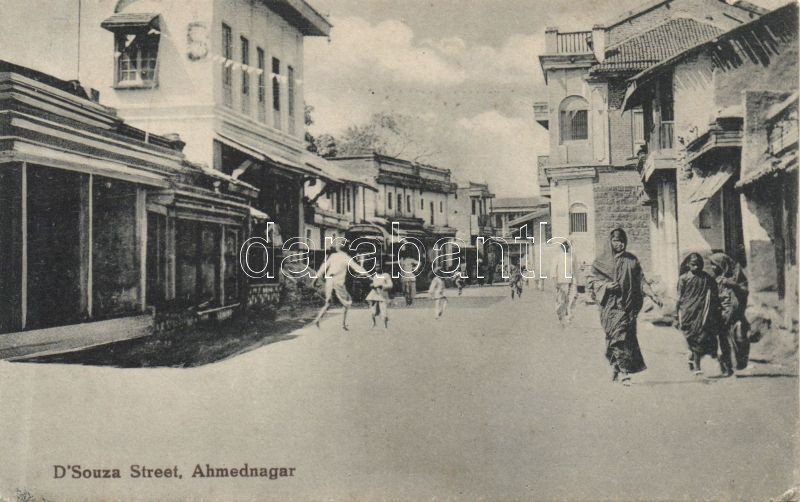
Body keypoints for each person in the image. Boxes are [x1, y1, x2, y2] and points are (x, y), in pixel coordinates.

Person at [587, 229, 647, 386]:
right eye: (615, 241)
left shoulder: (632, 260)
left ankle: (622, 370)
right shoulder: (600, 262)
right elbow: (591, 281)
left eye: (622, 241)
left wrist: (653, 295)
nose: (619, 244)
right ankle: (620, 369)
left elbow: (641, 280)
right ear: (610, 242)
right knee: (614, 337)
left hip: (627, 306)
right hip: (609, 307)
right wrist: (606, 286)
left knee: (621, 338)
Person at [676, 253, 720, 375]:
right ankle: (691, 357)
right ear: (688, 265)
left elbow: (714, 293)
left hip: (701, 313)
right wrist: (675, 315)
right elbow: (679, 298)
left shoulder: (707, 278)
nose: (696, 267)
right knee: (690, 338)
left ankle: (697, 366)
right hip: (687, 313)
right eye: (693, 264)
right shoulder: (683, 278)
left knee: (699, 338)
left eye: (699, 264)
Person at [708, 252, 750, 375]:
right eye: (711, 264)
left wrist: (732, 284)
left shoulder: (737, 276)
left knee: (739, 338)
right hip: (721, 315)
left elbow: (744, 291)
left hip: (735, 315)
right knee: (723, 342)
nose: (712, 267)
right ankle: (727, 368)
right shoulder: (715, 279)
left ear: (722, 265)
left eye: (715, 265)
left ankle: (740, 363)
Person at [312, 240, 367, 330]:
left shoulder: (333, 256)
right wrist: (367, 274)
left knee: (328, 302)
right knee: (347, 301)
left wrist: (315, 278)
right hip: (338, 281)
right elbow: (357, 268)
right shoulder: (346, 257)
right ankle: (343, 324)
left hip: (329, 279)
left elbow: (323, 267)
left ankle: (317, 319)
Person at [551, 242, 576, 327]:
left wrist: (574, 282)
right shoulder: (557, 257)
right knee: (560, 301)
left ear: (568, 247)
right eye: (564, 246)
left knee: (570, 300)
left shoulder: (571, 258)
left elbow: (574, 271)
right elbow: (553, 271)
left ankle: (568, 317)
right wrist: (555, 283)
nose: (566, 248)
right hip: (560, 282)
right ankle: (559, 317)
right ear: (562, 248)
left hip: (570, 282)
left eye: (567, 246)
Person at [366, 264, 392, 330]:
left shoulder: (386, 275)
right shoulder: (375, 276)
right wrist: (372, 285)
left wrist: (383, 285)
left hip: (382, 294)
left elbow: (390, 285)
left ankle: (385, 327)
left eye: (379, 267)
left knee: (384, 311)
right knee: (373, 311)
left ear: (382, 267)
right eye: (376, 267)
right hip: (374, 295)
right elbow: (374, 284)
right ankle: (374, 324)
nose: (377, 268)